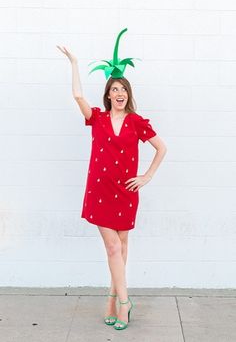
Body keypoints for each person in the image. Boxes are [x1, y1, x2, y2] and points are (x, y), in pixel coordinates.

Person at [57, 30, 167, 331]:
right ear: (108, 94)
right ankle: (125, 302)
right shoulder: (98, 118)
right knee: (112, 248)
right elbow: (78, 95)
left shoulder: (137, 122)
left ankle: (111, 296)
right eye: (114, 89)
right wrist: (75, 62)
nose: (119, 94)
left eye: (124, 90)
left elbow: (162, 148)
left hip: (126, 190)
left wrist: (147, 176)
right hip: (100, 190)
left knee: (121, 244)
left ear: (128, 95)